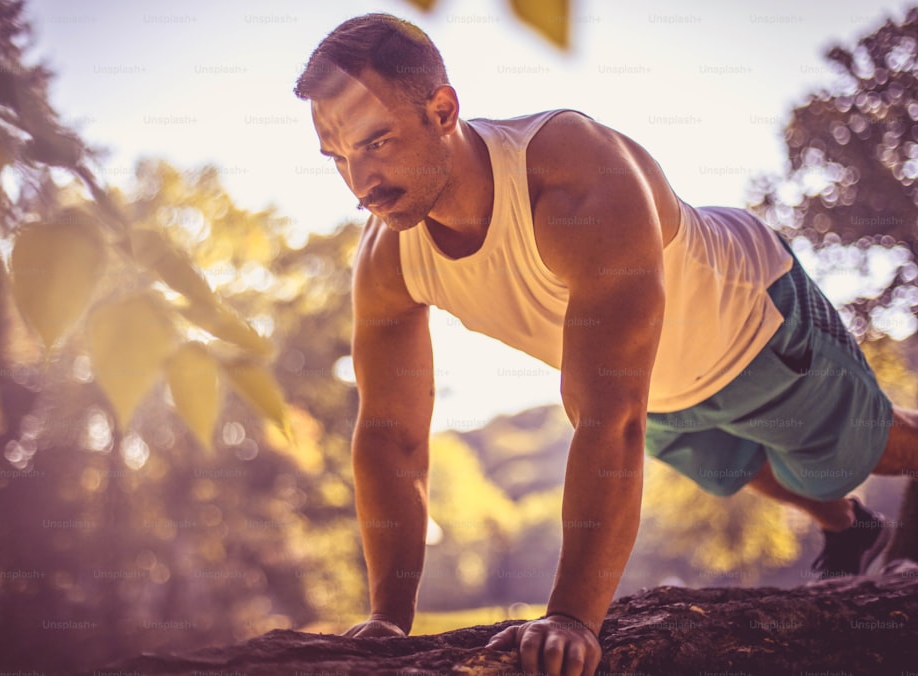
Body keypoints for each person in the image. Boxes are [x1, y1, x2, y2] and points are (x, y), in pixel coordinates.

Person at [294, 13, 918, 676]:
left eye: (378, 142)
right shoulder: (389, 258)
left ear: (443, 109)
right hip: (656, 392)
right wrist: (389, 617)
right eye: (339, 158)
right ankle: (849, 528)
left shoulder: (574, 179)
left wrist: (571, 617)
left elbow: (605, 418)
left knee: (866, 453)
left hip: (752, 324)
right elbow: (392, 437)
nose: (360, 184)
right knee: (741, 468)